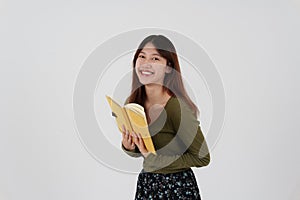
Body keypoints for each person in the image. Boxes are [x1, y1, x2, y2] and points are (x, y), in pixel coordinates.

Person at [121, 35, 210, 199]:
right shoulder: (133, 103)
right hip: (147, 184)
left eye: (155, 58)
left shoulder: (177, 108)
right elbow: (143, 151)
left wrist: (156, 160)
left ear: (169, 67)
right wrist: (129, 146)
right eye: (142, 56)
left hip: (177, 188)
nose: (146, 63)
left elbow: (202, 157)